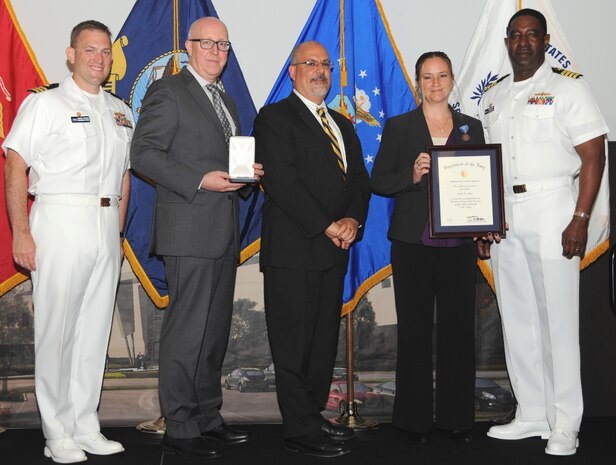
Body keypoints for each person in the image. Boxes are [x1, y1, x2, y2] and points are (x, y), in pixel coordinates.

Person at [130, 17, 263, 459]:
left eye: (223, 44)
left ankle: (207, 416)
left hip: (224, 230)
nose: (216, 51)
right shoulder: (168, 91)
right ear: (189, 47)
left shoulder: (226, 100)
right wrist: (200, 180)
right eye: (207, 43)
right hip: (187, 229)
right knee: (187, 333)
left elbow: (226, 163)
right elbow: (143, 154)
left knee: (213, 334)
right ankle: (180, 423)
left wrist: (246, 177)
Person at [478, 9, 608, 456]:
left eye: (532, 34)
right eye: (516, 35)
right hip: (507, 215)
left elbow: (593, 156)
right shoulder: (492, 98)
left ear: (545, 39)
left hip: (554, 206)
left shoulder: (568, 88)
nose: (523, 42)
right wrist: (484, 220)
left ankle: (565, 423)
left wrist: (580, 218)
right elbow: (488, 167)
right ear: (507, 42)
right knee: (517, 321)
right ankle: (532, 413)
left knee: (557, 322)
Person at [3, 20, 130, 463]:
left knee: (94, 333)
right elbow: (15, 164)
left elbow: (125, 174)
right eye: (90, 50)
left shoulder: (120, 110)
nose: (99, 59)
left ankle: (84, 424)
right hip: (59, 217)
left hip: (104, 222)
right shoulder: (46, 104)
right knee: (56, 332)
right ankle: (56, 432)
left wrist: (116, 227)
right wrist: (21, 231)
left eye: (105, 52)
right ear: (71, 55)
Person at [252, 41, 371, 458]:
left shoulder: (342, 122)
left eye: (325, 64)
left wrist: (353, 220)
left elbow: (358, 179)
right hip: (294, 251)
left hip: (335, 249)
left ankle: (313, 415)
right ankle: (299, 429)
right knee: (293, 343)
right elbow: (282, 183)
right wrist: (328, 225)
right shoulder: (273, 118)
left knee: (322, 343)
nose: (320, 71)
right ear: (293, 71)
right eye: (311, 64)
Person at [371, 51, 483, 445]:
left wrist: (486, 225)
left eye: (442, 76)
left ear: (453, 80)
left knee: (458, 333)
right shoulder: (400, 127)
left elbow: (483, 187)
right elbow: (379, 180)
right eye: (427, 77)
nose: (435, 84)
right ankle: (412, 421)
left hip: (459, 245)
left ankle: (457, 419)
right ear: (418, 82)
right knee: (415, 334)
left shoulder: (472, 127)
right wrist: (411, 174)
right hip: (412, 243)